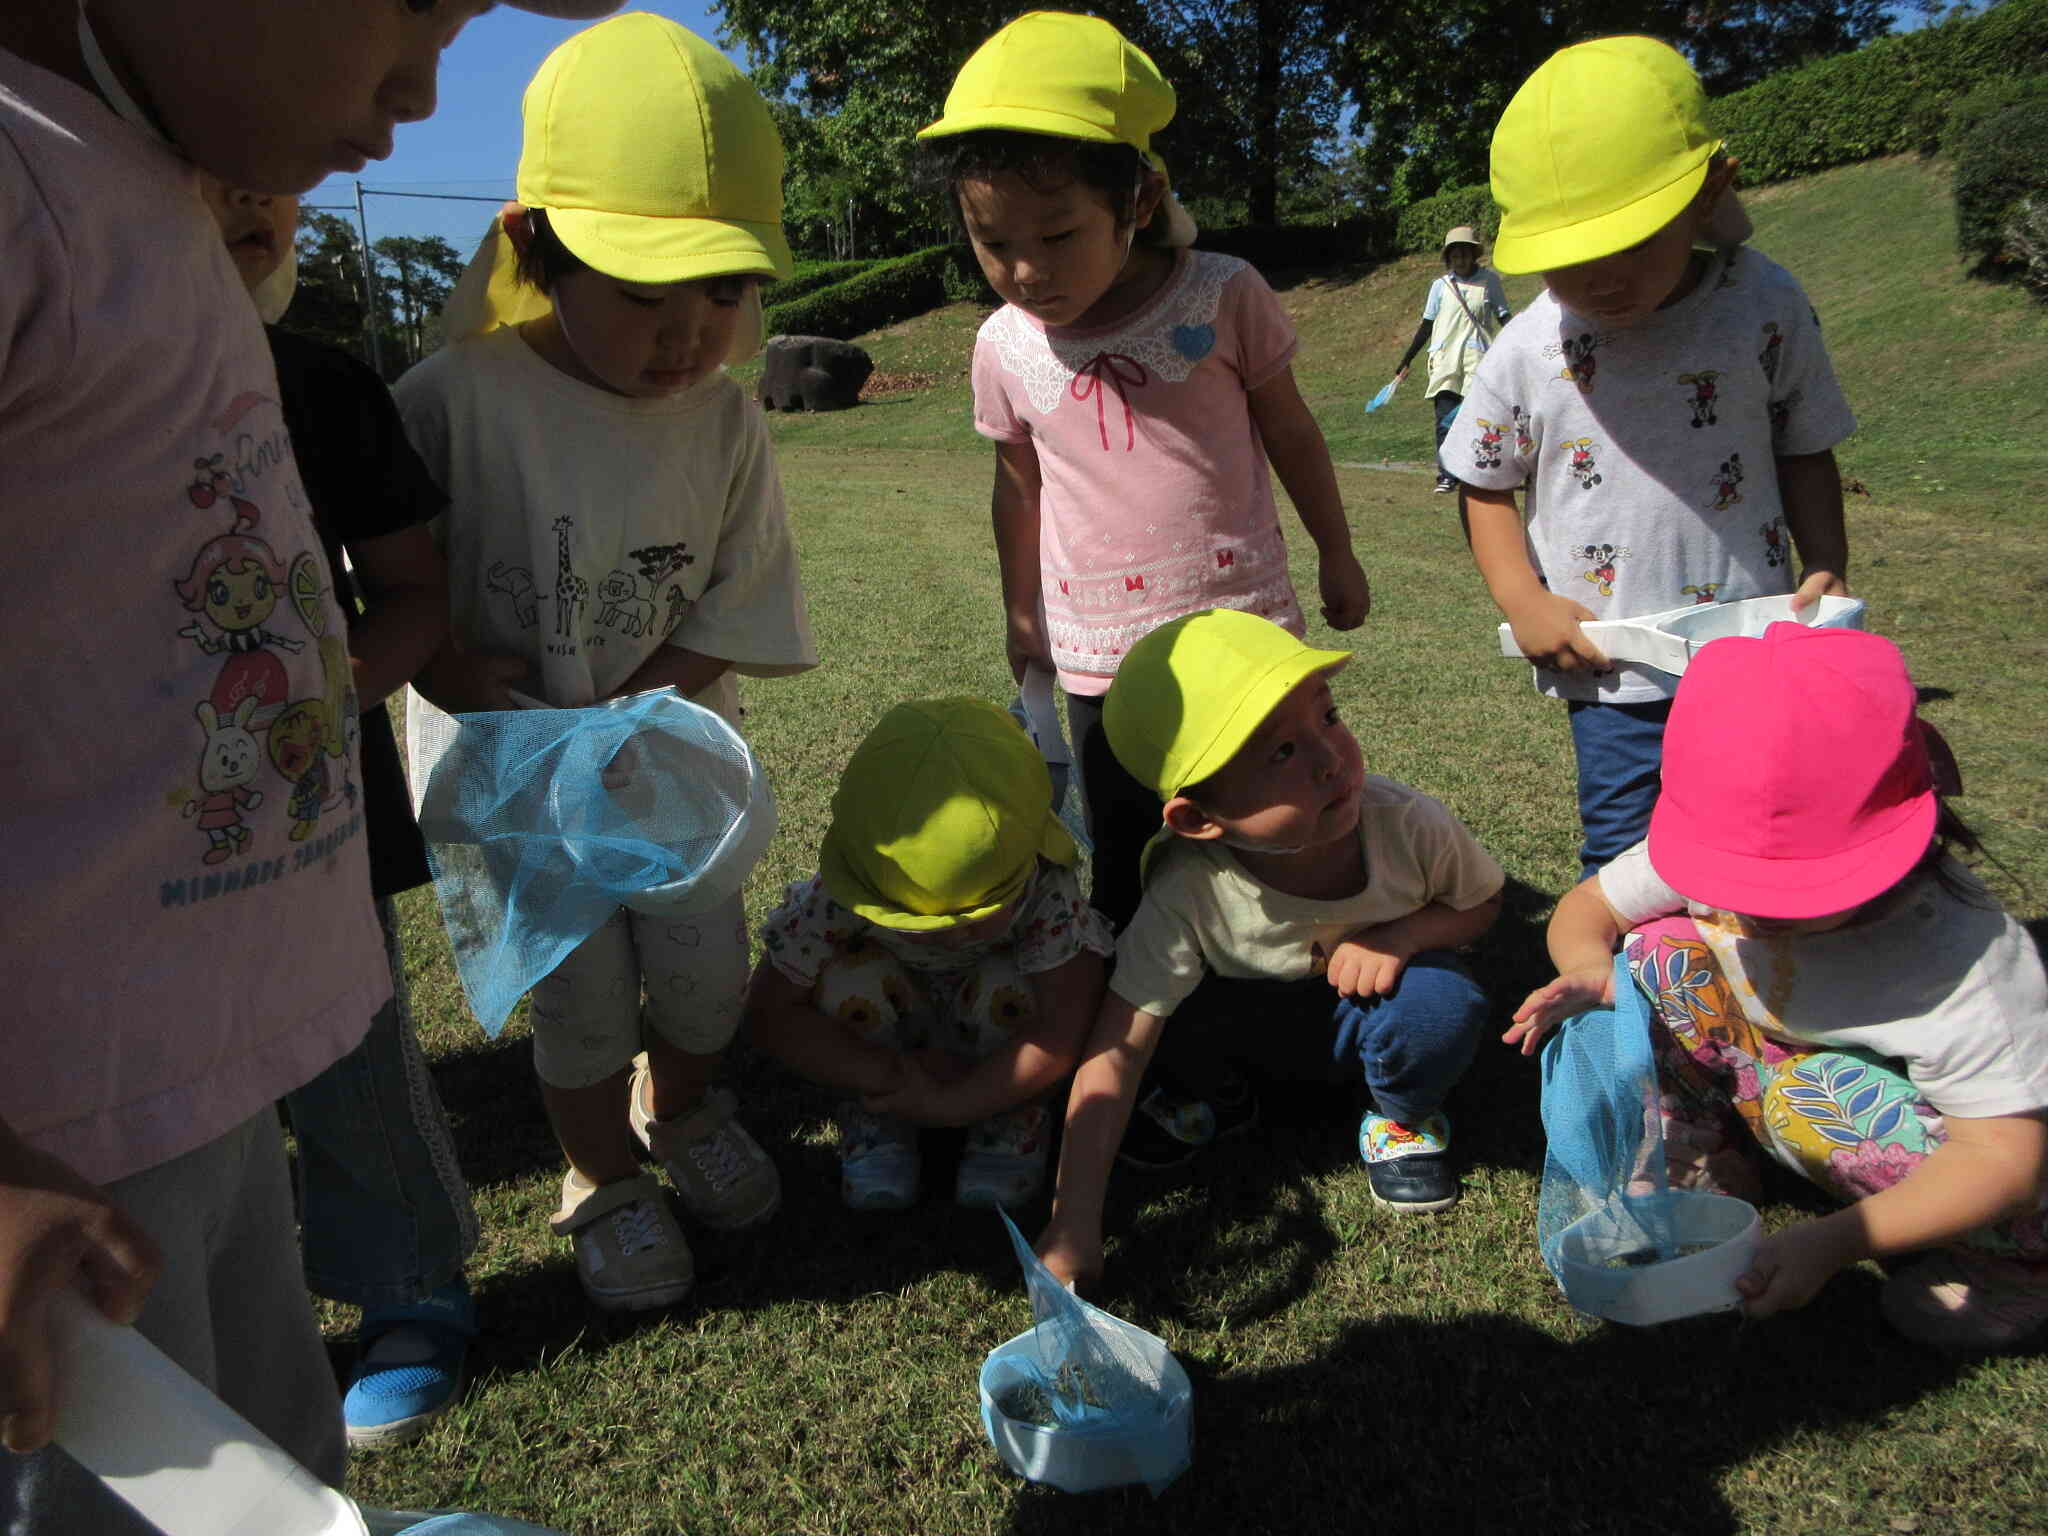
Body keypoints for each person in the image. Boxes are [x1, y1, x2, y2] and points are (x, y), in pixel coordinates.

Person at [0, 0, 616, 1527]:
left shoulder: (143, 180)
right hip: (54, 1136)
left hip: (210, 1079)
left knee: (277, 1478)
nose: (423, 83)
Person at [397, 12, 816, 1317]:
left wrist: (645, 699)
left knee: (699, 979)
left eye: (728, 293)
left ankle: (679, 1107)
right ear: (534, 245)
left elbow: (742, 585)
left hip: (667, 772)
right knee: (575, 1003)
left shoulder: (727, 416)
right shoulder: (449, 403)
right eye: (645, 296)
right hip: (519, 790)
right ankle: (599, 1174)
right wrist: (461, 670)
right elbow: (387, 590)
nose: (691, 334)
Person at [916, 10, 1372, 942]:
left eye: (1059, 233)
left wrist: (1338, 551)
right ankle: (1152, 1050)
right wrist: (1020, 610)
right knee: (1127, 859)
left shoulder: (1220, 293)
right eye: (994, 241)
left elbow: (1291, 430)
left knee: (1274, 835)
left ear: (1138, 198)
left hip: (1242, 635)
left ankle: (1293, 991)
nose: (1026, 270)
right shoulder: (1003, 344)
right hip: (1099, 651)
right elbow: (1018, 483)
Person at [1505, 623, 2048, 1351]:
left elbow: (2004, 1160)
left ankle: (2015, 1277)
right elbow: (1590, 908)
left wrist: (1834, 1243)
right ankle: (1710, 1151)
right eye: (1735, 880)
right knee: (1656, 949)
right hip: (1779, 1060)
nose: (1752, 907)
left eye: (1797, 887)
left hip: (1955, 1146)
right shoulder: (1729, 835)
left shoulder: (1964, 962)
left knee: (1818, 1108)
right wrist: (1590, 968)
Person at [200, 174, 483, 1451]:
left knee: (350, 1055)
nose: (249, 198)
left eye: (270, 178)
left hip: (310, 811)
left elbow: (414, 589)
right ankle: (177, 1318)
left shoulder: (318, 387)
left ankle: (407, 1284)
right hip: (92, 843)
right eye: (199, 168)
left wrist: (325, 702)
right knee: (173, 1097)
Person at [1452, 36, 1856, 876]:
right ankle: (1642, 1007)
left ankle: (1753, 995)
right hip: (1612, 666)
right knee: (1629, 859)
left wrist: (1827, 563)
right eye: (1567, 259)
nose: (1599, 280)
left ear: (1711, 193)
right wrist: (1524, 600)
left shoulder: (1762, 304)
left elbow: (1805, 444)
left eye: (1630, 244)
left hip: (1755, 648)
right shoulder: (1529, 348)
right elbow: (1483, 481)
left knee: (1766, 841)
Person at [1035, 611, 1504, 1289]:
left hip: (1364, 1019)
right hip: (1249, 1035)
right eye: (1280, 752)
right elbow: (1118, 1048)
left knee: (1439, 1002)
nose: (1328, 759)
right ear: (1197, 818)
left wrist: (1403, 936)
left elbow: (1481, 905)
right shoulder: (1186, 890)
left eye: (1328, 717)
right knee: (1151, 1005)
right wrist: (1074, 1218)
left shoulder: (1408, 825)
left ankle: (1397, 1115)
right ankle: (1225, 1098)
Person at [745, 699, 1113, 1210]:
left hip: (1000, 1047)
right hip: (887, 1050)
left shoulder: (1044, 889)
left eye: (974, 920)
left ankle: (1009, 1119)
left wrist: (961, 1101)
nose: (948, 939)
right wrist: (882, 1076)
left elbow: (1063, 1023)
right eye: (913, 923)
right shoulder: (837, 894)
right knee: (849, 979)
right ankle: (880, 1118)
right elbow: (768, 1012)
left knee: (1014, 982)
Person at [1391, 225, 1511, 494]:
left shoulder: (1489, 282)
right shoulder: (1440, 286)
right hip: (1445, 361)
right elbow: (1426, 325)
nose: (1460, 259)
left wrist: (1519, 345)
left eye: (1465, 253)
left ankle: (1475, 473)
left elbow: (1504, 316)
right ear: (1449, 258)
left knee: (1477, 418)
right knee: (1445, 419)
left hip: (1478, 359)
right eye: (1455, 254)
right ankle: (1447, 474)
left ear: (1473, 255)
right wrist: (1407, 358)